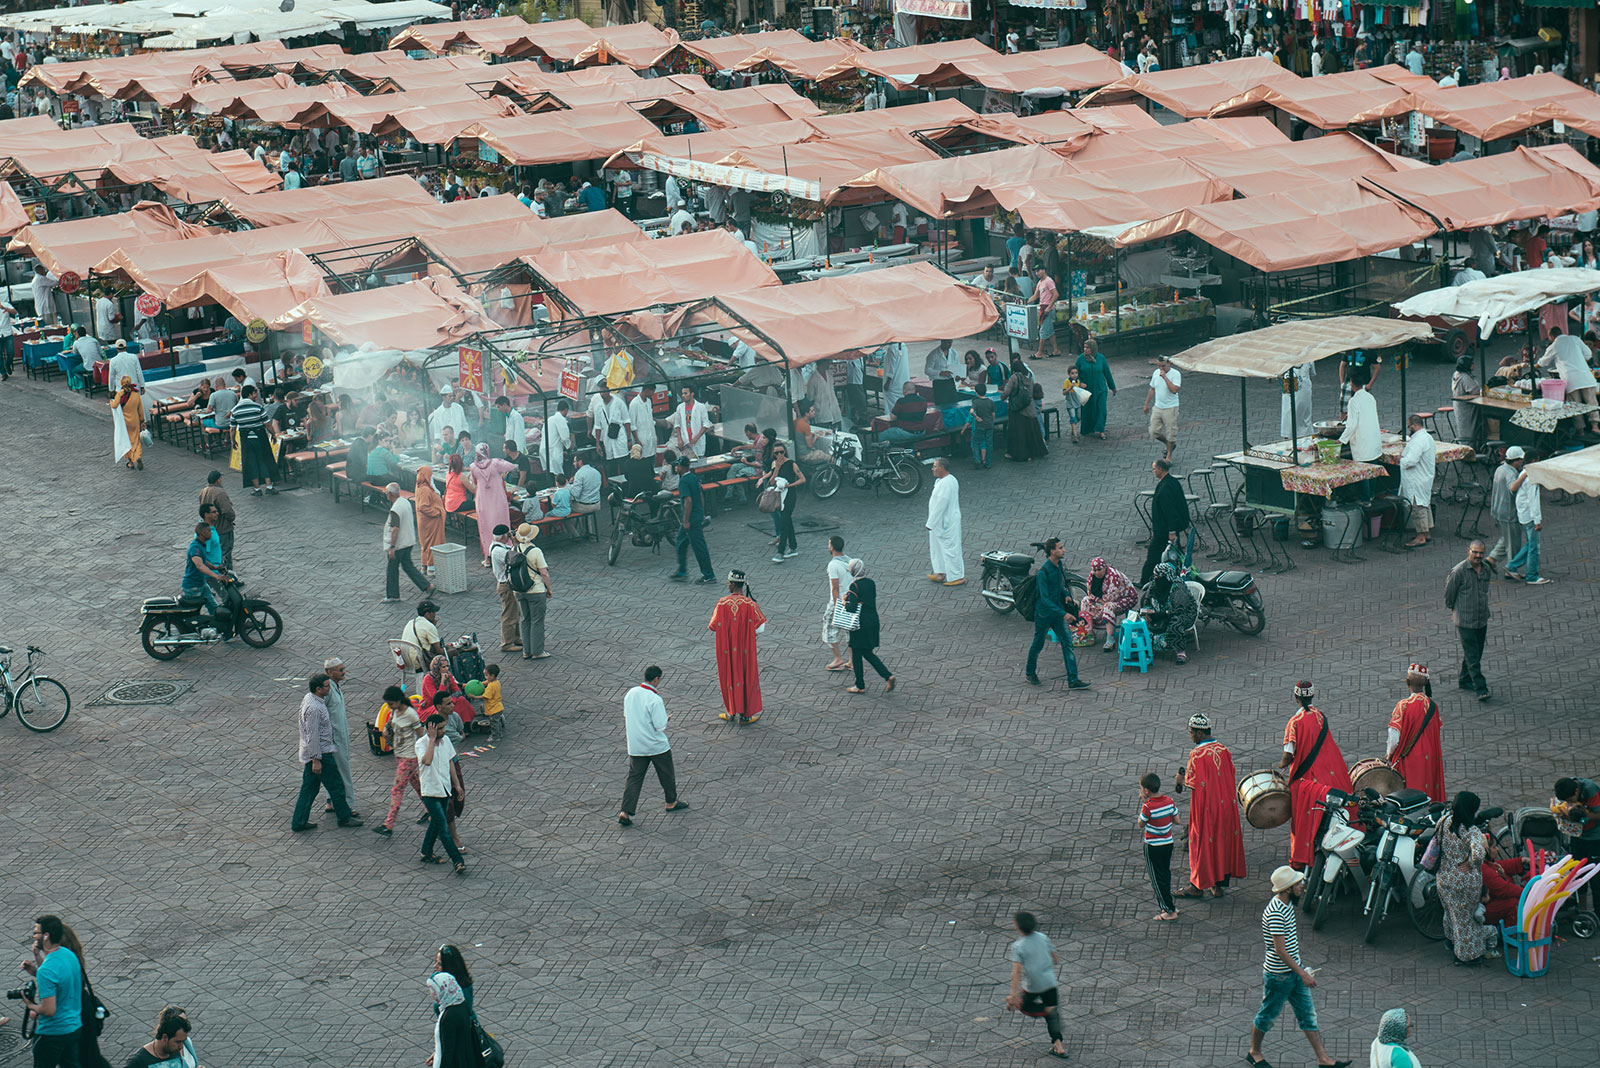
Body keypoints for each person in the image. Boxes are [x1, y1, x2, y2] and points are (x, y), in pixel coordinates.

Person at [1248, 867, 1351, 1068]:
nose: (1302, 886)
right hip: (1279, 977)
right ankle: (1254, 1053)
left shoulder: (1286, 905)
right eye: (1298, 884)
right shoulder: (1276, 913)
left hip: (1293, 973)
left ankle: (1323, 1059)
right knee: (1267, 1015)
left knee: (1308, 1015)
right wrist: (1302, 973)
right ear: (1287, 889)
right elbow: (1280, 950)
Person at [1278, 681, 1354, 869]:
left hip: (1308, 780)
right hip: (1328, 774)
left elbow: (1289, 753)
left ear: (1296, 697)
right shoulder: (1320, 716)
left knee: (1302, 819)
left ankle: (1302, 858)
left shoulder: (1294, 722)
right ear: (1312, 696)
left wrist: (1279, 766)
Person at [1174, 712, 1248, 899]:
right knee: (1221, 843)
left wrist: (1180, 780)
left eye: (1191, 732)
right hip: (1226, 808)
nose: (1190, 736)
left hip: (1205, 809)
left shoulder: (1196, 754)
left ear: (1199, 733)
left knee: (1201, 845)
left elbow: (1192, 783)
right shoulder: (1223, 750)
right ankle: (1217, 885)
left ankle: (1197, 886)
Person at [618, 665, 689, 825]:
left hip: (636, 745)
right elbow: (660, 726)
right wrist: (666, 718)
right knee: (666, 774)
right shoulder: (655, 699)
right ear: (656, 679)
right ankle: (671, 802)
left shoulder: (631, 693)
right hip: (656, 745)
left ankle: (625, 811)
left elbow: (627, 714)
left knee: (634, 778)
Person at [292, 673, 360, 831]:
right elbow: (313, 735)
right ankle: (344, 817)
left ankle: (299, 821)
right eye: (327, 686)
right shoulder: (314, 708)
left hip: (315, 753)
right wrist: (316, 759)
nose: (330, 689)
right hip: (321, 754)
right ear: (318, 689)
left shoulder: (311, 699)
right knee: (336, 786)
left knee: (309, 788)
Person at [1025, 537, 1089, 691]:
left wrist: (1066, 593)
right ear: (1052, 551)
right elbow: (1045, 599)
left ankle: (1073, 679)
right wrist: (1063, 614)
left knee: (1068, 643)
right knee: (1038, 643)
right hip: (1044, 615)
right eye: (1060, 548)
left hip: (1057, 612)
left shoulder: (1058, 565)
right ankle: (1030, 673)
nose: (1064, 550)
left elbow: (1059, 585)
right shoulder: (1043, 572)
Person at [1003, 912, 1068, 1061]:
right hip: (1050, 982)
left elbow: (1017, 973)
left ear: (1017, 927)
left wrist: (1013, 995)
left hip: (1033, 986)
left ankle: (1046, 1010)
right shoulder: (1043, 937)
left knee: (1024, 1006)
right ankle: (1058, 1045)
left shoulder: (1018, 946)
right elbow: (1055, 958)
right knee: (1053, 1015)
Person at [22, 914, 83, 1068]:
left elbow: (49, 1010)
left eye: (36, 932)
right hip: (73, 1027)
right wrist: (37, 962)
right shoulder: (68, 955)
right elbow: (59, 979)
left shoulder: (47, 971)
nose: (34, 936)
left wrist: (30, 1005)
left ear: (46, 936)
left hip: (52, 1033)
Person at [1435, 791, 1489, 965]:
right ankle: (1465, 955)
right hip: (1463, 882)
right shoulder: (1471, 831)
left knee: (1450, 913)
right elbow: (1479, 854)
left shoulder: (1444, 821)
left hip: (1444, 878)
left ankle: (1451, 941)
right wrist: (1471, 863)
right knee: (1465, 919)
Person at [709, 570, 766, 723]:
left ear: (732, 584)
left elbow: (713, 626)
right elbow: (760, 628)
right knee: (747, 677)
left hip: (726, 650)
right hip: (746, 650)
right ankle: (746, 715)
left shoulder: (721, 604)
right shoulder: (750, 604)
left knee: (728, 677)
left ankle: (730, 712)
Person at [1442, 540, 1493, 702]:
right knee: (1472, 655)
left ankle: (1464, 679)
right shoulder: (1459, 571)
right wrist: (1454, 611)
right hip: (1465, 621)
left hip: (1481, 618)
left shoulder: (1486, 570)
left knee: (1475, 653)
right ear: (1468, 551)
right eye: (1475, 552)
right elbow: (1449, 595)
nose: (1478, 556)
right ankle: (1481, 688)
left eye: (1481, 553)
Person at [1385, 664, 1445, 802]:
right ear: (1425, 683)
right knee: (1427, 784)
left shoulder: (1403, 705)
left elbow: (1394, 737)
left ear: (1407, 682)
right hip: (1429, 754)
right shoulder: (1432, 705)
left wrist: (1389, 755)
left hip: (1410, 758)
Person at [416, 714, 466, 874]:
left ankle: (426, 852)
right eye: (439, 729)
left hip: (445, 789)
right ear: (430, 730)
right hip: (431, 792)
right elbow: (427, 761)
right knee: (443, 828)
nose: (443, 731)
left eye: (443, 727)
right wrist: (431, 740)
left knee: (436, 824)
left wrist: (457, 785)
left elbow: (450, 761)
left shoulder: (446, 742)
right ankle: (458, 860)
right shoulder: (421, 744)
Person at [373, 686, 423, 837]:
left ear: (399, 700)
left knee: (397, 789)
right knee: (417, 784)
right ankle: (432, 811)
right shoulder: (395, 711)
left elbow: (421, 736)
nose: (390, 707)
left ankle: (389, 824)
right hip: (399, 754)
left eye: (391, 704)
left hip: (409, 757)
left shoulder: (411, 714)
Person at [842, 559, 893, 694]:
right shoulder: (871, 583)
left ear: (852, 571)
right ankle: (864, 683)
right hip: (873, 620)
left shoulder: (854, 586)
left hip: (860, 624)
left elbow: (852, 608)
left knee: (861, 652)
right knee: (863, 653)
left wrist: (843, 601)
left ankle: (868, 682)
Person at [1554, 776, 1600, 914]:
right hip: (1577, 837)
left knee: (1596, 879)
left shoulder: (1590, 790)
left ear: (1577, 791)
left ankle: (1598, 914)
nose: (1569, 803)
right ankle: (1583, 911)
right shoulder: (1566, 790)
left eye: (1570, 800)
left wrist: (1584, 817)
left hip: (1595, 839)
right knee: (1578, 874)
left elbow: (1598, 814)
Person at [1137, 773, 1180, 921]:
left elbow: (1141, 824)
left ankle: (1169, 910)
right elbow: (1177, 820)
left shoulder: (1148, 807)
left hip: (1153, 846)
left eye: (1141, 789)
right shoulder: (1169, 801)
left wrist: (1144, 804)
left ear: (1147, 791)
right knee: (1165, 874)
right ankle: (1170, 904)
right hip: (1168, 843)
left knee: (1156, 878)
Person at [1142, 457, 1191, 585]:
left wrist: (1172, 530)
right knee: (1173, 553)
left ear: (1160, 469)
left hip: (1164, 529)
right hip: (1167, 527)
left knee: (1154, 554)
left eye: (1154, 469)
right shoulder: (1172, 482)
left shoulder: (1165, 488)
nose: (1153, 471)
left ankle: (1145, 580)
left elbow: (1170, 511)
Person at [382, 483, 434, 603]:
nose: (385, 494)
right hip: (408, 541)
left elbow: (395, 529)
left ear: (390, 494)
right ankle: (427, 586)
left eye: (386, 492)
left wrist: (392, 547)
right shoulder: (404, 502)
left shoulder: (395, 509)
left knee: (392, 569)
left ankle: (392, 595)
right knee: (408, 566)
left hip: (399, 544)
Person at [321, 657, 359, 819]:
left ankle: (331, 800)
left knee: (335, 770)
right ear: (330, 673)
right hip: (334, 737)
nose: (344, 672)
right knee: (342, 769)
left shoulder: (335, 687)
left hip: (339, 734)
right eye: (340, 670)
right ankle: (347, 804)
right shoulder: (327, 690)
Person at [467, 443, 515, 568]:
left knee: (485, 528)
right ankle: (507, 553)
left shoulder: (473, 467)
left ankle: (487, 558)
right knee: (503, 524)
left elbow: (474, 481)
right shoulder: (496, 463)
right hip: (498, 499)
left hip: (483, 501)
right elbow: (511, 466)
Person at [1140, 561, 1197, 664]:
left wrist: (1162, 615)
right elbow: (1146, 600)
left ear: (1165, 576)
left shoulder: (1178, 588)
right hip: (1159, 612)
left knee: (1176, 622)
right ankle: (1144, 647)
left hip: (1182, 614)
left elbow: (1180, 609)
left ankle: (1180, 651)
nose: (1155, 578)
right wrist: (1147, 612)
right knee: (1141, 621)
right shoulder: (1154, 585)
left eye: (1158, 576)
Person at [1078, 556, 1138, 651]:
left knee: (1108, 607)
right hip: (1102, 599)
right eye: (1095, 570)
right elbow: (1090, 593)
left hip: (1126, 599)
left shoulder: (1113, 577)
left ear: (1105, 567)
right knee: (1085, 601)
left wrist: (1100, 603)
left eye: (1099, 570)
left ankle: (1110, 639)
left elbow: (1111, 598)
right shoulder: (1092, 575)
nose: (1097, 572)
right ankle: (1088, 631)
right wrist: (1099, 601)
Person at [512, 523, 552, 660]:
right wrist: (549, 588)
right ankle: (537, 651)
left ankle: (526, 650)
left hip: (520, 590)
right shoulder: (536, 551)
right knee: (537, 621)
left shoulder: (514, 548)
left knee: (525, 619)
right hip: (536, 590)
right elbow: (544, 572)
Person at [229, 385, 279, 495]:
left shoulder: (235, 410)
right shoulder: (258, 407)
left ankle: (257, 489)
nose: (256, 396)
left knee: (251, 463)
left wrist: (233, 441)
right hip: (260, 437)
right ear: (250, 394)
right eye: (255, 393)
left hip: (246, 440)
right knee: (264, 460)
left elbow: (232, 429)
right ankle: (269, 486)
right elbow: (267, 424)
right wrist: (274, 435)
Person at [759, 443, 805, 562]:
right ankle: (793, 547)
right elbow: (772, 482)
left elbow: (802, 479)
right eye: (776, 453)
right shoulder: (774, 464)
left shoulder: (792, 463)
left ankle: (781, 551)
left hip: (789, 495)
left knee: (784, 521)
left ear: (785, 452)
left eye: (781, 452)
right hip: (779, 495)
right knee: (787, 520)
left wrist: (790, 485)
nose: (779, 455)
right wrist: (777, 468)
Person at [1505, 461, 1547, 584]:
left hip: (1523, 516)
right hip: (1530, 517)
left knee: (1531, 544)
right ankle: (1531, 576)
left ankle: (1513, 565)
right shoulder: (1531, 478)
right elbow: (1533, 501)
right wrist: (1537, 520)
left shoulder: (1523, 474)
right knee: (1534, 547)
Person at [1398, 413, 1436, 547]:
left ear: (1413, 426)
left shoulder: (1419, 441)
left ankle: (1421, 536)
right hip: (1424, 478)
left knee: (1417, 507)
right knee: (1425, 504)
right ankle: (1427, 533)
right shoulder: (1427, 438)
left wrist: (1402, 460)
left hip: (1417, 479)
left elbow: (1411, 461)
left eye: (1409, 426)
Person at [426, 971, 478, 1067]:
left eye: (433, 990)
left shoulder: (448, 1017)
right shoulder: (461, 1004)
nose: (432, 995)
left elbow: (448, 1052)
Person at [925, 458, 964, 586]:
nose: (933, 469)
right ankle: (940, 572)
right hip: (939, 523)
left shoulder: (947, 483)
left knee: (950, 548)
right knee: (937, 548)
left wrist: (931, 523)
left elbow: (941, 504)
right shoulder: (942, 481)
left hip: (945, 522)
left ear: (942, 468)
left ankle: (957, 576)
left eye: (935, 466)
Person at [124, 1006, 198, 1068]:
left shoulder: (173, 1050)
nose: (181, 1046)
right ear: (165, 1037)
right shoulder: (138, 1061)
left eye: (183, 1041)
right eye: (178, 1042)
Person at [1004, 359, 1047, 461]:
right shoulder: (1029, 376)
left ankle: (1022, 454)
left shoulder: (1014, 377)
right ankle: (1034, 453)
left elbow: (1007, 392)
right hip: (1030, 408)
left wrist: (1002, 398)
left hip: (1018, 409)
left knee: (1019, 433)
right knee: (1031, 432)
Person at [1487, 447, 1524, 566]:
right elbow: (1512, 487)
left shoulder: (1500, 468)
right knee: (1513, 543)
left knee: (1507, 537)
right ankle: (1511, 568)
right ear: (1516, 460)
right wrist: (1524, 476)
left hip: (1498, 510)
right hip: (1508, 513)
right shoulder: (1510, 473)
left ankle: (1492, 558)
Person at [1074, 336, 1116, 439]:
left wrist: (1112, 387)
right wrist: (1079, 383)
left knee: (1101, 409)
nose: (1085, 350)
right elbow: (1074, 374)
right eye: (1084, 347)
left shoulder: (1101, 358)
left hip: (1100, 389)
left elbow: (1107, 373)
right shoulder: (1080, 359)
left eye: (1088, 348)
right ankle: (1087, 429)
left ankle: (1101, 430)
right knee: (1088, 410)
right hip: (1086, 391)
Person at [1339, 365, 1380, 464]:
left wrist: (1341, 440)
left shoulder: (1353, 401)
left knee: (1365, 473)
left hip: (1362, 446)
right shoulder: (1370, 397)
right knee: (1373, 473)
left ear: (1352, 384)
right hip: (1374, 442)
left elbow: (1352, 425)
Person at [1143, 354, 1181, 462]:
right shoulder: (1156, 373)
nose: (1160, 368)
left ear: (1169, 364)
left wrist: (1165, 377)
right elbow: (1152, 389)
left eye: (1163, 366)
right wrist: (1146, 404)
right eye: (1159, 366)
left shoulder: (1175, 374)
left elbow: (1174, 390)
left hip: (1171, 407)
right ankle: (1169, 444)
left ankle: (1168, 456)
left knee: (1171, 432)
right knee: (1153, 432)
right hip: (1158, 406)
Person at [489, 524, 520, 652]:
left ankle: (515, 638)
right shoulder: (498, 551)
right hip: (506, 585)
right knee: (509, 614)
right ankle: (507, 643)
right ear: (503, 537)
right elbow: (515, 558)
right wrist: (516, 544)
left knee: (515, 612)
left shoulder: (496, 546)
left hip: (506, 584)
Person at [823, 535, 851, 672]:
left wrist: (836, 605)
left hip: (839, 601)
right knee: (850, 630)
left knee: (829, 629)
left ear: (832, 547)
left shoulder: (833, 565)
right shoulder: (851, 561)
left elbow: (835, 587)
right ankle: (852, 661)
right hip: (851, 600)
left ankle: (838, 658)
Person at [588, 385, 631, 474]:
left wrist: (629, 439)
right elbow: (597, 427)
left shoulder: (619, 402)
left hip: (620, 437)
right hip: (607, 439)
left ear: (609, 391)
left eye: (604, 391)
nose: (602, 394)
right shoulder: (598, 407)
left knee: (624, 465)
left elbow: (627, 421)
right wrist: (597, 444)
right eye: (601, 392)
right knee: (611, 467)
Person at [412, 466, 446, 576]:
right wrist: (436, 512)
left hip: (424, 521)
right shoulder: (425, 489)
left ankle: (424, 565)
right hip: (430, 521)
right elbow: (423, 507)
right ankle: (431, 567)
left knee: (425, 543)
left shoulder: (419, 486)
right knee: (433, 542)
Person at [111, 375, 144, 471]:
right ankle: (138, 456)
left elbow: (114, 405)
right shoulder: (136, 394)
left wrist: (110, 399)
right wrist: (142, 421)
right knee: (136, 441)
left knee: (127, 441)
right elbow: (140, 409)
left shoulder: (120, 394)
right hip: (135, 421)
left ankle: (130, 462)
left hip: (125, 423)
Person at [1450, 356, 1483, 447]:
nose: (1473, 365)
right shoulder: (1465, 377)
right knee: (1469, 428)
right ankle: (1470, 448)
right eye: (1471, 364)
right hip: (1467, 407)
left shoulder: (1456, 374)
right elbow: (1475, 390)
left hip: (1459, 405)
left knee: (1463, 427)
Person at [671, 385, 710, 460]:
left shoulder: (701, 407)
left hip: (697, 442)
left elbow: (706, 425)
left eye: (686, 393)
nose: (683, 396)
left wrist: (696, 438)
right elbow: (677, 424)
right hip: (685, 441)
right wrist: (679, 439)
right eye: (682, 394)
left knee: (699, 461)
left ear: (692, 394)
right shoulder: (680, 407)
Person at [625, 387, 657, 456]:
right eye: (652, 392)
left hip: (651, 438)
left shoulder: (649, 401)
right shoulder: (634, 403)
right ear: (647, 390)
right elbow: (632, 425)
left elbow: (650, 419)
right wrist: (637, 440)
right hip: (641, 438)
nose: (653, 394)